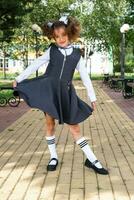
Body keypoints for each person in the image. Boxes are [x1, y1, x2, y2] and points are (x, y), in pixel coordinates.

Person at [13, 16, 108, 175]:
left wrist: (92, 97)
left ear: (70, 34)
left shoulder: (77, 55)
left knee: (75, 128)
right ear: (53, 37)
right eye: (57, 37)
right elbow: (36, 64)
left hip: (66, 94)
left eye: (63, 35)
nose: (61, 39)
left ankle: (92, 160)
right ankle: (53, 156)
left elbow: (85, 77)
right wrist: (18, 78)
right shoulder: (52, 50)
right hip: (50, 92)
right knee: (50, 124)